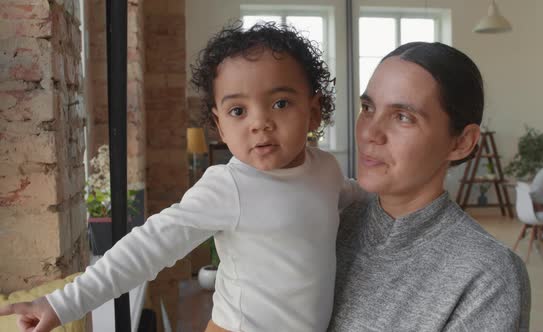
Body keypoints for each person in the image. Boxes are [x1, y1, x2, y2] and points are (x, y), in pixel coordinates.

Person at [0, 22, 366, 332]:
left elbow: (358, 197)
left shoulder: (326, 170)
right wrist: (62, 304)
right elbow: (147, 246)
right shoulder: (229, 186)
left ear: (314, 111)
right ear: (219, 126)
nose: (259, 123)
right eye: (238, 110)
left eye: (280, 103)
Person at [328, 42, 531, 331]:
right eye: (368, 108)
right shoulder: (329, 221)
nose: (370, 133)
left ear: (461, 142)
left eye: (403, 117)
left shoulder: (489, 275)